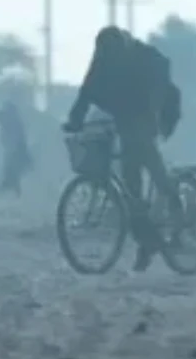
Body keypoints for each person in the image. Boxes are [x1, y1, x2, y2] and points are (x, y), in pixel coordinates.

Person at [63, 26, 183, 271]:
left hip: (153, 110)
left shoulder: (146, 59)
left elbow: (158, 94)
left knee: (144, 155)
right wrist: (75, 120)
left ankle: (175, 205)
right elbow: (87, 91)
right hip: (125, 115)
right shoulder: (104, 59)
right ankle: (147, 241)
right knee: (131, 189)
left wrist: (150, 122)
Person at [0, 99, 32, 196]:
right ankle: (12, 185)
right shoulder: (15, 118)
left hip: (15, 148)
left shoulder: (10, 118)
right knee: (12, 167)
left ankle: (12, 186)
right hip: (14, 147)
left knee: (13, 167)